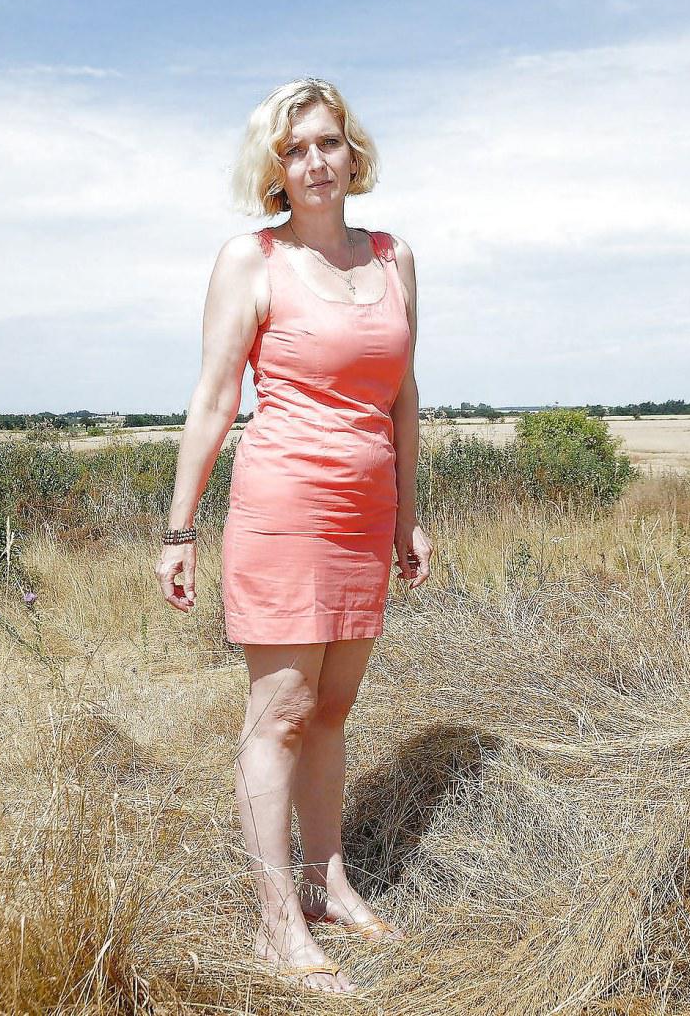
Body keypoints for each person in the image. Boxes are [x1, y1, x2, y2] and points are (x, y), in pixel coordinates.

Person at [154, 78, 433, 995]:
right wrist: (180, 527)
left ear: (353, 152)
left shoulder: (393, 257)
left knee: (331, 712)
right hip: (282, 509)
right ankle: (276, 923)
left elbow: (402, 395)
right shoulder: (252, 259)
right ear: (274, 168)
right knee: (278, 713)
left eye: (327, 142)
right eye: (294, 148)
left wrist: (409, 512)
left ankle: (327, 885)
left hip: (364, 516)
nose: (315, 161)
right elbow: (213, 398)